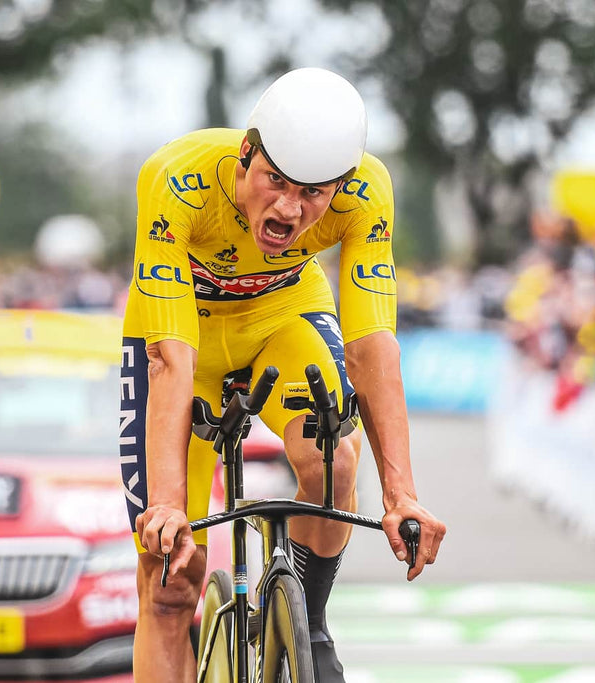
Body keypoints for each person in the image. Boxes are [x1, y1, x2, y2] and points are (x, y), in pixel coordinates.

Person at [118, 67, 447, 683]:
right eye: (276, 181)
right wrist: (166, 504)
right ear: (246, 154)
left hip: (281, 321)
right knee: (168, 583)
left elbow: (372, 346)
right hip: (181, 344)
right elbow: (169, 356)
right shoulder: (178, 179)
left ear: (342, 185)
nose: (290, 210)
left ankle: (309, 624)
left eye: (315, 193)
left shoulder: (367, 193)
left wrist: (401, 493)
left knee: (335, 458)